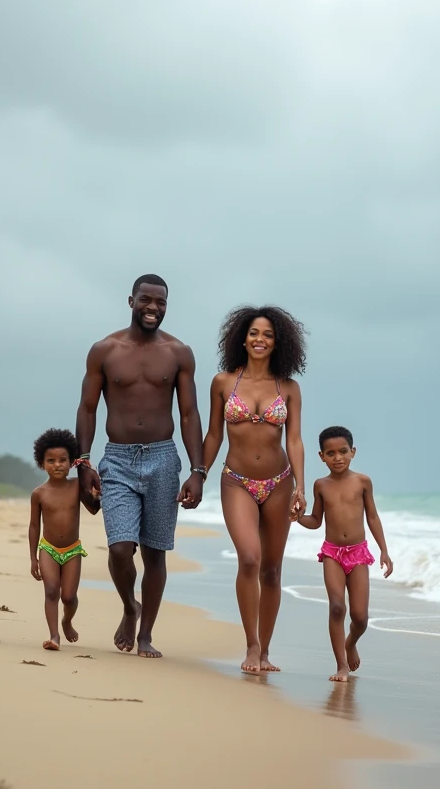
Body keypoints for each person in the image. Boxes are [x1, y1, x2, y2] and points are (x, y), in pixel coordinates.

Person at [75, 274, 205, 659]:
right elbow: (87, 408)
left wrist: (198, 472)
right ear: (131, 300)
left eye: (161, 302)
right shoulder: (104, 350)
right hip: (117, 458)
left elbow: (189, 413)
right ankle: (130, 606)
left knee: (154, 553)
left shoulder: (179, 352)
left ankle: (145, 632)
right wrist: (83, 463)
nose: (153, 308)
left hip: (164, 457)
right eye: (146, 300)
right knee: (120, 549)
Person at [202, 305, 307, 674]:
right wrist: (199, 473)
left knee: (273, 571)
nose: (260, 340)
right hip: (237, 481)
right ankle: (251, 645)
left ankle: (266, 653)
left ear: (278, 342)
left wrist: (301, 487)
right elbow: (215, 434)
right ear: (241, 339)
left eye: (268, 335)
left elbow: (294, 440)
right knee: (249, 558)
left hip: (280, 483)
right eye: (253, 334)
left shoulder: (289, 388)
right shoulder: (223, 382)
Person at [293, 426, 393, 681]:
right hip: (332, 553)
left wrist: (384, 550)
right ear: (321, 456)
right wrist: (296, 518)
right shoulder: (320, 486)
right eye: (330, 453)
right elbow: (316, 520)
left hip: (359, 553)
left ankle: (351, 643)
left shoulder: (362, 482)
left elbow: (372, 516)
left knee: (360, 618)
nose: (337, 457)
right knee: (337, 607)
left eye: (343, 451)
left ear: (353, 452)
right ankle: (341, 666)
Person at [29, 428, 100, 651]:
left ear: (71, 462)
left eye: (62, 460)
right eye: (50, 460)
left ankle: (67, 621)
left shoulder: (77, 486)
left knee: (68, 597)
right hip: (48, 548)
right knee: (51, 591)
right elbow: (33, 526)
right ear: (42, 463)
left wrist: (96, 497)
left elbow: (94, 510)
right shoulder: (39, 493)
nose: (57, 465)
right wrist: (33, 559)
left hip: (72, 550)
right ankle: (54, 636)